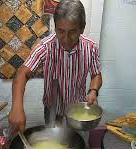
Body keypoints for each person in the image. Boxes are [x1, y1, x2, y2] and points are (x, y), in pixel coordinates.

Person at [8, 0, 102, 132]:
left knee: (76, 142)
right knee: (53, 142)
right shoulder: (45, 47)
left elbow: (96, 74)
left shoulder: (91, 47)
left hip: (77, 109)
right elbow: (22, 74)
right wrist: (17, 108)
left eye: (72, 32)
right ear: (55, 26)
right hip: (52, 108)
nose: (66, 38)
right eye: (61, 31)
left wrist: (93, 91)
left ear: (82, 28)